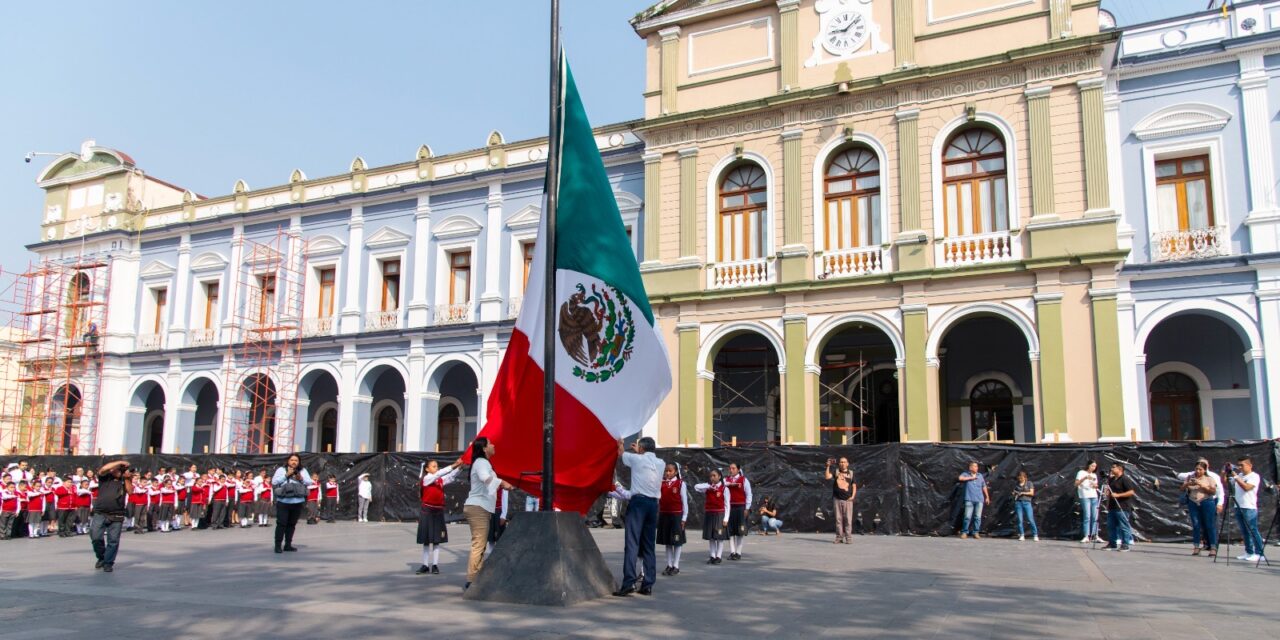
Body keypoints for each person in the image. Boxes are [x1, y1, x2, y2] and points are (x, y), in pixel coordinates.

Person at [614, 436, 663, 597]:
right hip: (653, 504)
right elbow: (645, 459)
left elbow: (620, 452)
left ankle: (629, 582)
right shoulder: (661, 463)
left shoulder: (636, 459)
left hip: (638, 504)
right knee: (649, 546)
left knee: (632, 543)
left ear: (641, 449)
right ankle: (648, 584)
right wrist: (639, 451)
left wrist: (620, 441)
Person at [463, 437, 513, 590]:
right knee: (479, 543)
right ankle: (472, 579)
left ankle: (477, 576)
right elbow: (486, 478)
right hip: (478, 507)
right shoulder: (482, 463)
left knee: (481, 543)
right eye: (490, 443)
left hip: (480, 507)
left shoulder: (482, 463)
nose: (493, 445)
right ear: (484, 448)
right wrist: (502, 483)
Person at [417, 459, 463, 575]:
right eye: (433, 466)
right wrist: (454, 464)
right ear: (427, 469)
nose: (436, 468)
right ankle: (425, 565)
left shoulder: (439, 480)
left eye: (436, 466)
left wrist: (460, 467)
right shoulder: (427, 479)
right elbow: (440, 473)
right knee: (427, 540)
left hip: (438, 512)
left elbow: (450, 477)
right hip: (427, 511)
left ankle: (435, 565)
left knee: (437, 540)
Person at [90, 460, 131, 572]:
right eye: (115, 469)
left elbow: (130, 491)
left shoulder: (124, 480)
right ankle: (101, 557)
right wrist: (120, 462)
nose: (115, 471)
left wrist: (127, 479)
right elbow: (103, 469)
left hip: (117, 514)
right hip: (100, 512)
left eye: (119, 470)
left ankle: (108, 562)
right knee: (96, 537)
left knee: (113, 540)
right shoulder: (105, 478)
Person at [1177, 460, 1221, 557]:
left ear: (1204, 470)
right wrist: (1187, 484)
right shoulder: (1190, 477)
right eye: (1196, 469)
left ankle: (1213, 547)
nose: (1198, 471)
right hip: (1193, 502)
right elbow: (1181, 489)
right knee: (1196, 525)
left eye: (1200, 469)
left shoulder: (1209, 478)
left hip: (1206, 502)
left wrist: (1201, 485)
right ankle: (1196, 547)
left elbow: (1213, 492)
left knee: (1210, 525)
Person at [271, 453, 311, 554]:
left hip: (297, 501)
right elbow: (274, 482)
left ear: (299, 462)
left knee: (292, 524)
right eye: (292, 460)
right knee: (281, 524)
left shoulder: (302, 470)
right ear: (288, 461)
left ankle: (288, 545)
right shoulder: (281, 470)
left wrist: (301, 478)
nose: (294, 462)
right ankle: (278, 545)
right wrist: (286, 475)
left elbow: (309, 482)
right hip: (284, 501)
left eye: (296, 460)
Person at [1228, 456, 1265, 562]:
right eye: (1238, 465)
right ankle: (1249, 552)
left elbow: (1246, 487)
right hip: (1238, 505)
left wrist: (1235, 477)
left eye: (1242, 465)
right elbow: (1228, 483)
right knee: (1244, 531)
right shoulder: (1239, 475)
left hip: (1249, 507)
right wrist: (1226, 472)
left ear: (1250, 465)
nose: (1240, 467)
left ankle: (1259, 553)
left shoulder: (1254, 476)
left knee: (1252, 530)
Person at [657, 462, 688, 576]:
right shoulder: (662, 484)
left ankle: (676, 565)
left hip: (676, 516)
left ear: (675, 472)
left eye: (670, 471)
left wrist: (684, 518)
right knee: (668, 542)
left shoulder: (680, 484)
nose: (667, 473)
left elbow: (685, 502)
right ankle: (669, 565)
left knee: (677, 541)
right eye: (666, 470)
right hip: (664, 515)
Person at [694, 469, 730, 565]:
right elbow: (696, 487)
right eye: (711, 476)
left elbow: (727, 505)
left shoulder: (724, 489)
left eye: (714, 476)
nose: (712, 478)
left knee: (719, 536)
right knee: (711, 537)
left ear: (719, 477)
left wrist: (726, 518)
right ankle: (712, 556)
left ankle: (719, 556)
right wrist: (709, 486)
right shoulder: (708, 488)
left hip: (720, 514)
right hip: (709, 514)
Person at [1104, 462, 1137, 551]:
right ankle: (1112, 543)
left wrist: (1118, 495)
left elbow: (1131, 492)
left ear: (1120, 469)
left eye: (1114, 467)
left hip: (1122, 506)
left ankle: (1125, 544)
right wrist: (1107, 502)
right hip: (1112, 506)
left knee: (1123, 526)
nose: (1111, 469)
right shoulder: (1111, 479)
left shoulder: (1125, 479)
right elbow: (1109, 493)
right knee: (1111, 525)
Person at [723, 463, 752, 561]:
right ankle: (732, 552)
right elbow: (721, 485)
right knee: (730, 531)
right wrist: (730, 484)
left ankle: (738, 553)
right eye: (730, 468)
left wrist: (747, 508)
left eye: (733, 468)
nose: (731, 470)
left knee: (740, 531)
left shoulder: (744, 480)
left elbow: (749, 495)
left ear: (738, 469)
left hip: (740, 508)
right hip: (729, 508)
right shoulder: (726, 480)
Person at [825, 457, 857, 544]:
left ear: (847, 463)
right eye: (841, 462)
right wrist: (827, 466)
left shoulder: (851, 473)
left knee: (848, 519)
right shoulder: (836, 472)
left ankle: (848, 538)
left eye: (844, 462)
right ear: (839, 464)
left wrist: (853, 496)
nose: (842, 463)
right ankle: (839, 537)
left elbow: (854, 486)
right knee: (838, 519)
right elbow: (827, 477)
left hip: (848, 500)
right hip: (837, 499)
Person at [957, 462, 989, 539]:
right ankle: (965, 532)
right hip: (969, 499)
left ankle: (976, 532)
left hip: (979, 499)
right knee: (967, 517)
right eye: (974, 466)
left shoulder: (980, 476)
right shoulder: (966, 474)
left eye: (977, 466)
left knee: (977, 517)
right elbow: (960, 478)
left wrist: (987, 497)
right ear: (970, 468)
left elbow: (984, 486)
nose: (976, 468)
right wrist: (971, 478)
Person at [1075, 460, 1102, 543]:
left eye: (1095, 466)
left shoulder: (1094, 475)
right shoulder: (1081, 472)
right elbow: (1076, 484)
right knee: (1087, 516)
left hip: (1094, 496)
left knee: (1095, 516)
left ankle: (1095, 535)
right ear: (1088, 465)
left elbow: (1096, 485)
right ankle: (1086, 536)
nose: (1093, 468)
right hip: (1085, 496)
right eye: (1092, 466)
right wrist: (1085, 478)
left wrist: (1095, 485)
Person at [1012, 470, 1039, 542]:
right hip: (1018, 503)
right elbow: (1014, 492)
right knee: (1020, 520)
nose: (1020, 479)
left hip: (1027, 503)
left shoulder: (1029, 483)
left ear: (1025, 477)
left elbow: (1032, 493)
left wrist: (1023, 493)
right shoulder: (1017, 484)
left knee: (1030, 519)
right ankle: (1022, 535)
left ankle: (1035, 535)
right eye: (1019, 478)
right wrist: (1015, 493)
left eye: (1022, 478)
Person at [486, 487, 509, 555]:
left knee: (500, 536)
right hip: (489, 511)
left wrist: (503, 515)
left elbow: (505, 500)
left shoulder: (503, 486)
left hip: (499, 512)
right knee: (491, 537)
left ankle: (500, 554)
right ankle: (490, 554)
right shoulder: (488, 485)